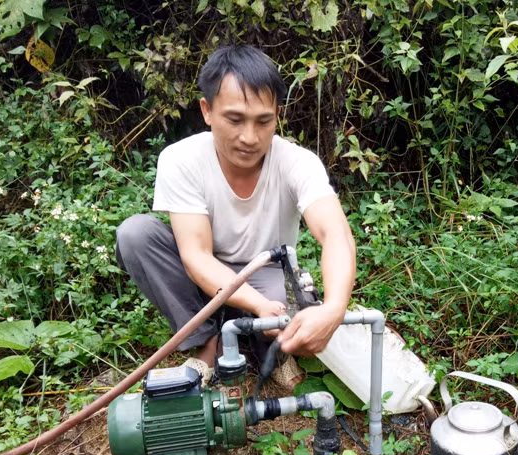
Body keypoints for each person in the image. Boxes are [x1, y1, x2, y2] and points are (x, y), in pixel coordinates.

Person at [115, 45, 356, 389]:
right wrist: (258, 305)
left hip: (267, 271)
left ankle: (271, 350)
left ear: (278, 114)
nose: (250, 137)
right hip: (201, 273)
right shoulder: (181, 160)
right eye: (234, 119)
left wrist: (333, 309)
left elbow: (336, 235)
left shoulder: (296, 162)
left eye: (263, 121)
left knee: (290, 319)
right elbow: (196, 256)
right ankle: (207, 343)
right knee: (135, 234)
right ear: (207, 110)